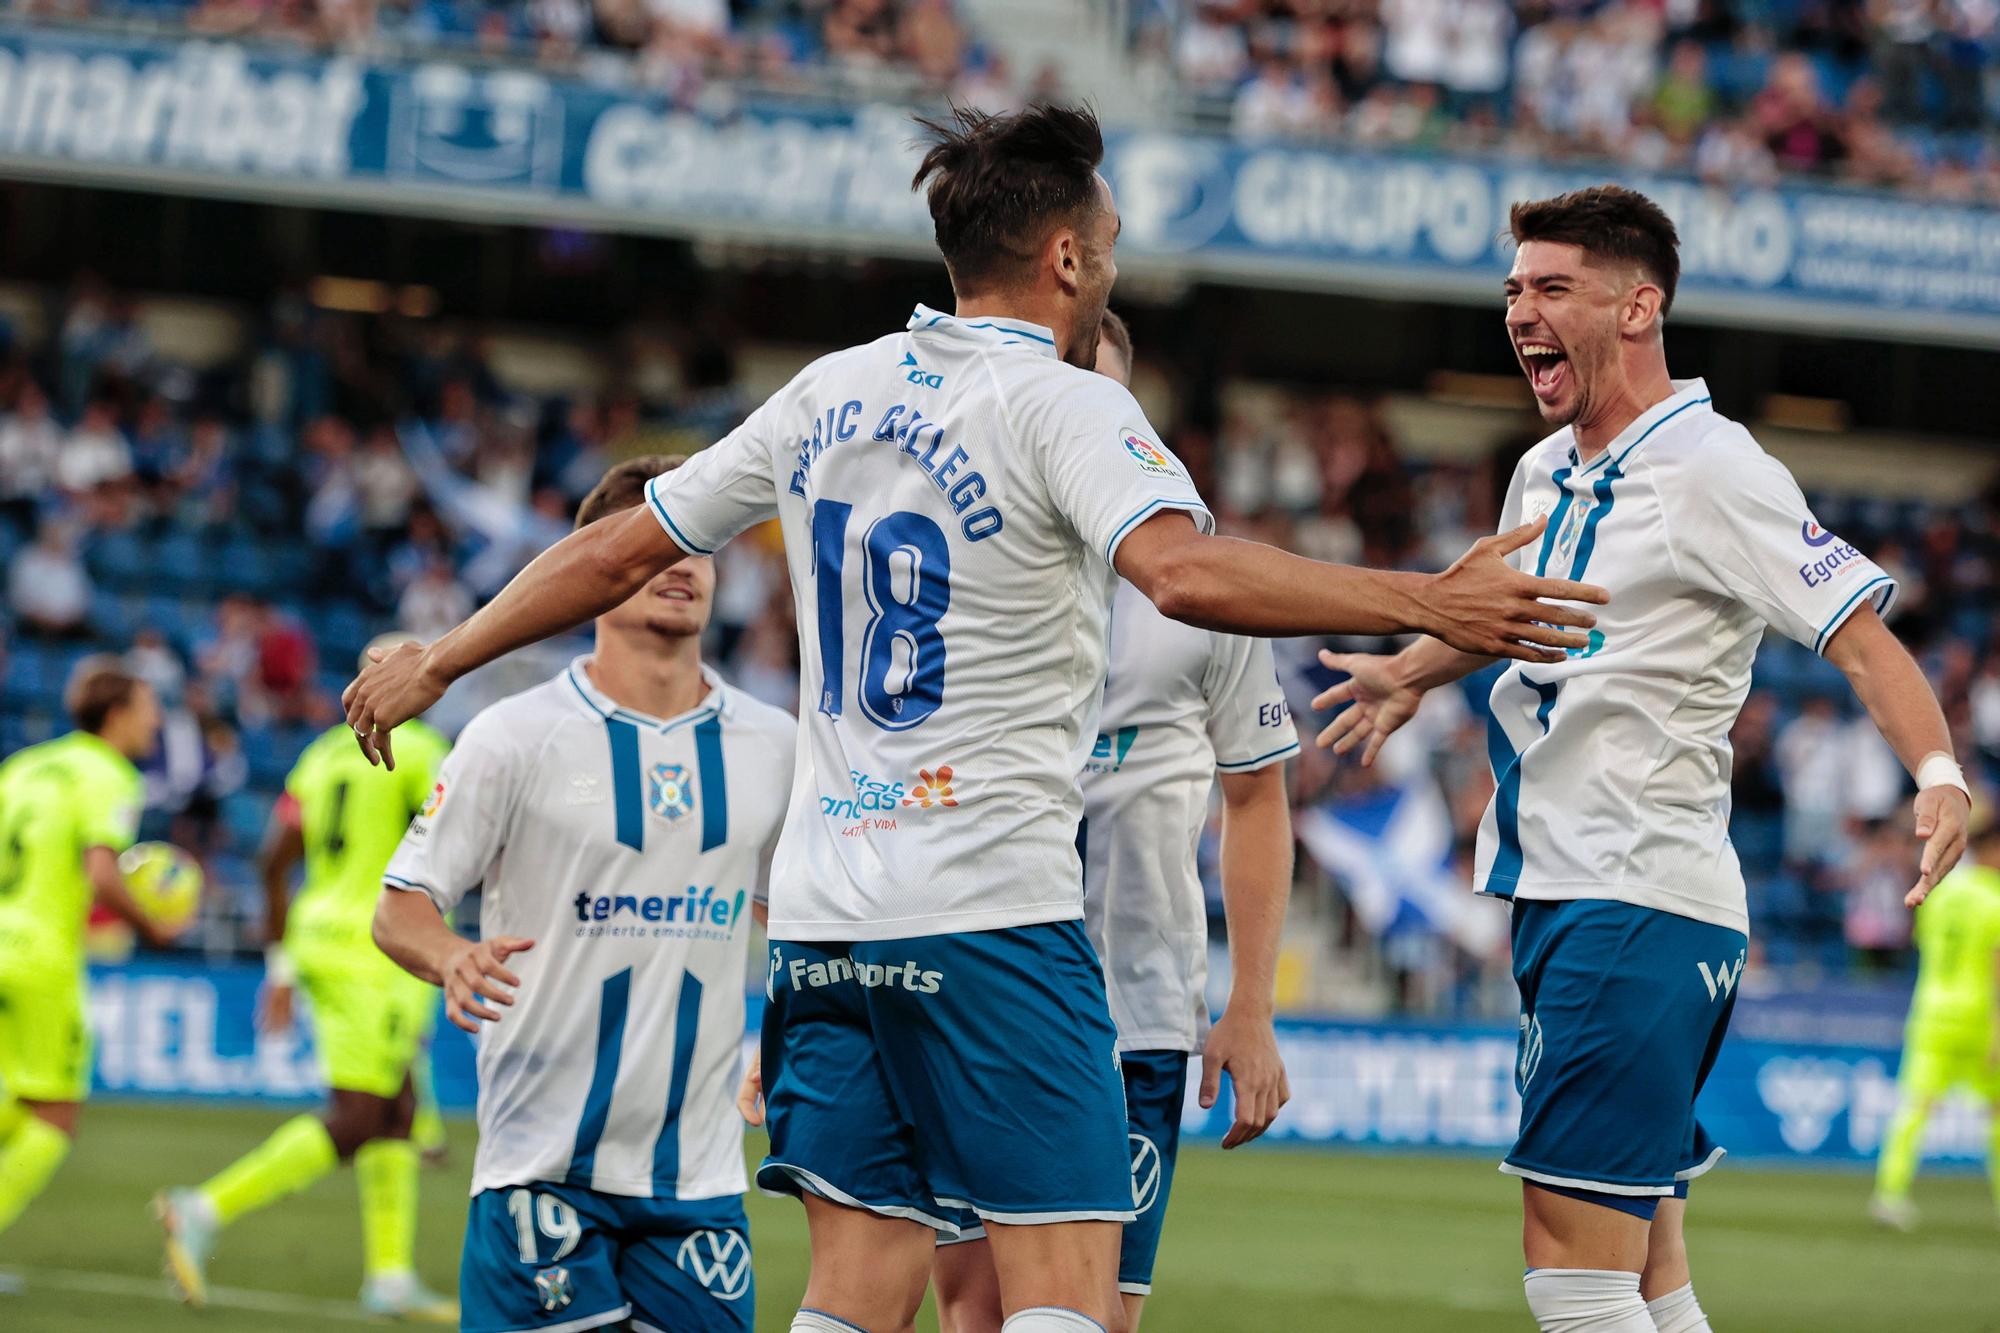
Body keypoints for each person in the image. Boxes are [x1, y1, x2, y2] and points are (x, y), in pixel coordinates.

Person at [340, 104, 1607, 1333]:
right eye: (1105, 242)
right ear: (1066, 257)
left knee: (850, 1292)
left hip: (831, 931)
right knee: (1063, 1288)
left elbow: (622, 544)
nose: (1109, 263)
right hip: (992, 913)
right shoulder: (1065, 404)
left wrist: (443, 658)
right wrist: (1425, 597)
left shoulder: (823, 392)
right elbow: (1181, 572)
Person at [1313, 185, 1971, 1333]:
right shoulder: (1537, 473)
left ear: (1636, 305)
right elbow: (1503, 616)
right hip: (1574, 892)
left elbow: (1858, 639)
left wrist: (1935, 775)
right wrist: (1405, 672)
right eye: (1513, 287)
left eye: (1551, 287)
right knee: (1649, 1274)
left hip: (1632, 894)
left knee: (1571, 1278)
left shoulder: (1713, 469)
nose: (1519, 309)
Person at [927, 311, 1298, 1333]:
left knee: (1096, 1319)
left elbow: (1256, 795)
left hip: (1133, 1013)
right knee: (969, 1313)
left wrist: (1251, 1005)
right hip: (976, 987)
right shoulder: (955, 568)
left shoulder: (1200, 577)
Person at [371, 456, 795, 1333]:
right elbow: (402, 904)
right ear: (594, 565)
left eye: (701, 544)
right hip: (541, 1167)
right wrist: (453, 954)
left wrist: (789, 1027)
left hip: (700, 1183)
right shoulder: (513, 736)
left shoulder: (775, 745)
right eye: (656, 541)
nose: (681, 561)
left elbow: (796, 919)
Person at [155, 635, 456, 1320]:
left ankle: (389, 1274)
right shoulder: (421, 748)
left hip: (322, 939)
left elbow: (271, 861)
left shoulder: (319, 757)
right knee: (358, 1117)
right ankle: (203, 1207)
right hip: (376, 948)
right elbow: (454, 836)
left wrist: (282, 963)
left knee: (396, 1112)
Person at [0, 660, 178, 1288]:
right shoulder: (109, 775)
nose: (156, 720)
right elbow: (104, 873)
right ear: (117, 713)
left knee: (16, 1100)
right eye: (149, 705)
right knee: (54, 1116)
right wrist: (153, 926)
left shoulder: (23, 766)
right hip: (43, 956)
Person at [1870, 805, 2000, 1230]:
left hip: (1931, 1010)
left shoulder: (1941, 893)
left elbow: (1923, 945)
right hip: (1979, 1017)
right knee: (1996, 1114)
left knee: (1915, 1106)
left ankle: (1889, 1194)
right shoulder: (1995, 900)